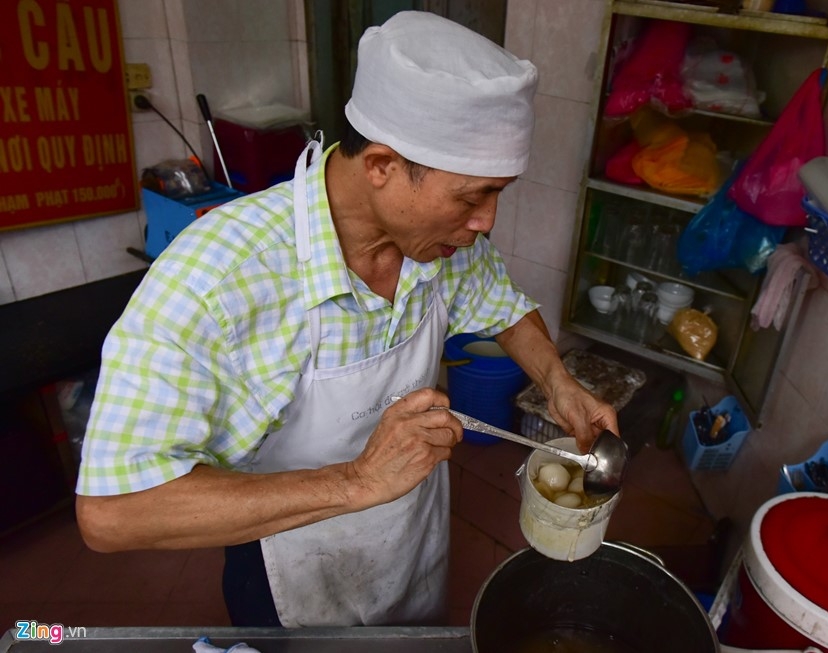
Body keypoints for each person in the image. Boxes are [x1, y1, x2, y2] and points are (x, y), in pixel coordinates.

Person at [75, 11, 618, 629]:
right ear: (382, 165)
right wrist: (356, 482)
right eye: (472, 197)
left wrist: (558, 385)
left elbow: (505, 307)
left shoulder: (442, 244)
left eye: (499, 193)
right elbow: (113, 512)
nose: (487, 221)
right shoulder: (215, 279)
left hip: (412, 545)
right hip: (291, 571)